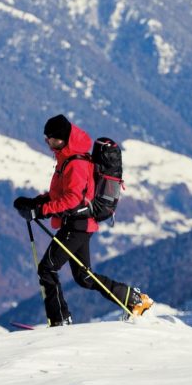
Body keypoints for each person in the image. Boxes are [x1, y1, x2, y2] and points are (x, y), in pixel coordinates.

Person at [13, 114, 153, 326]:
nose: (48, 143)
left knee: (47, 269)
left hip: (77, 225)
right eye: (46, 139)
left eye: (50, 139)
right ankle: (134, 300)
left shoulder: (75, 163)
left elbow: (72, 199)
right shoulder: (66, 159)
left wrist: (42, 211)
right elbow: (60, 194)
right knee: (84, 277)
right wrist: (35, 203)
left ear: (62, 138)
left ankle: (60, 319)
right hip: (79, 224)